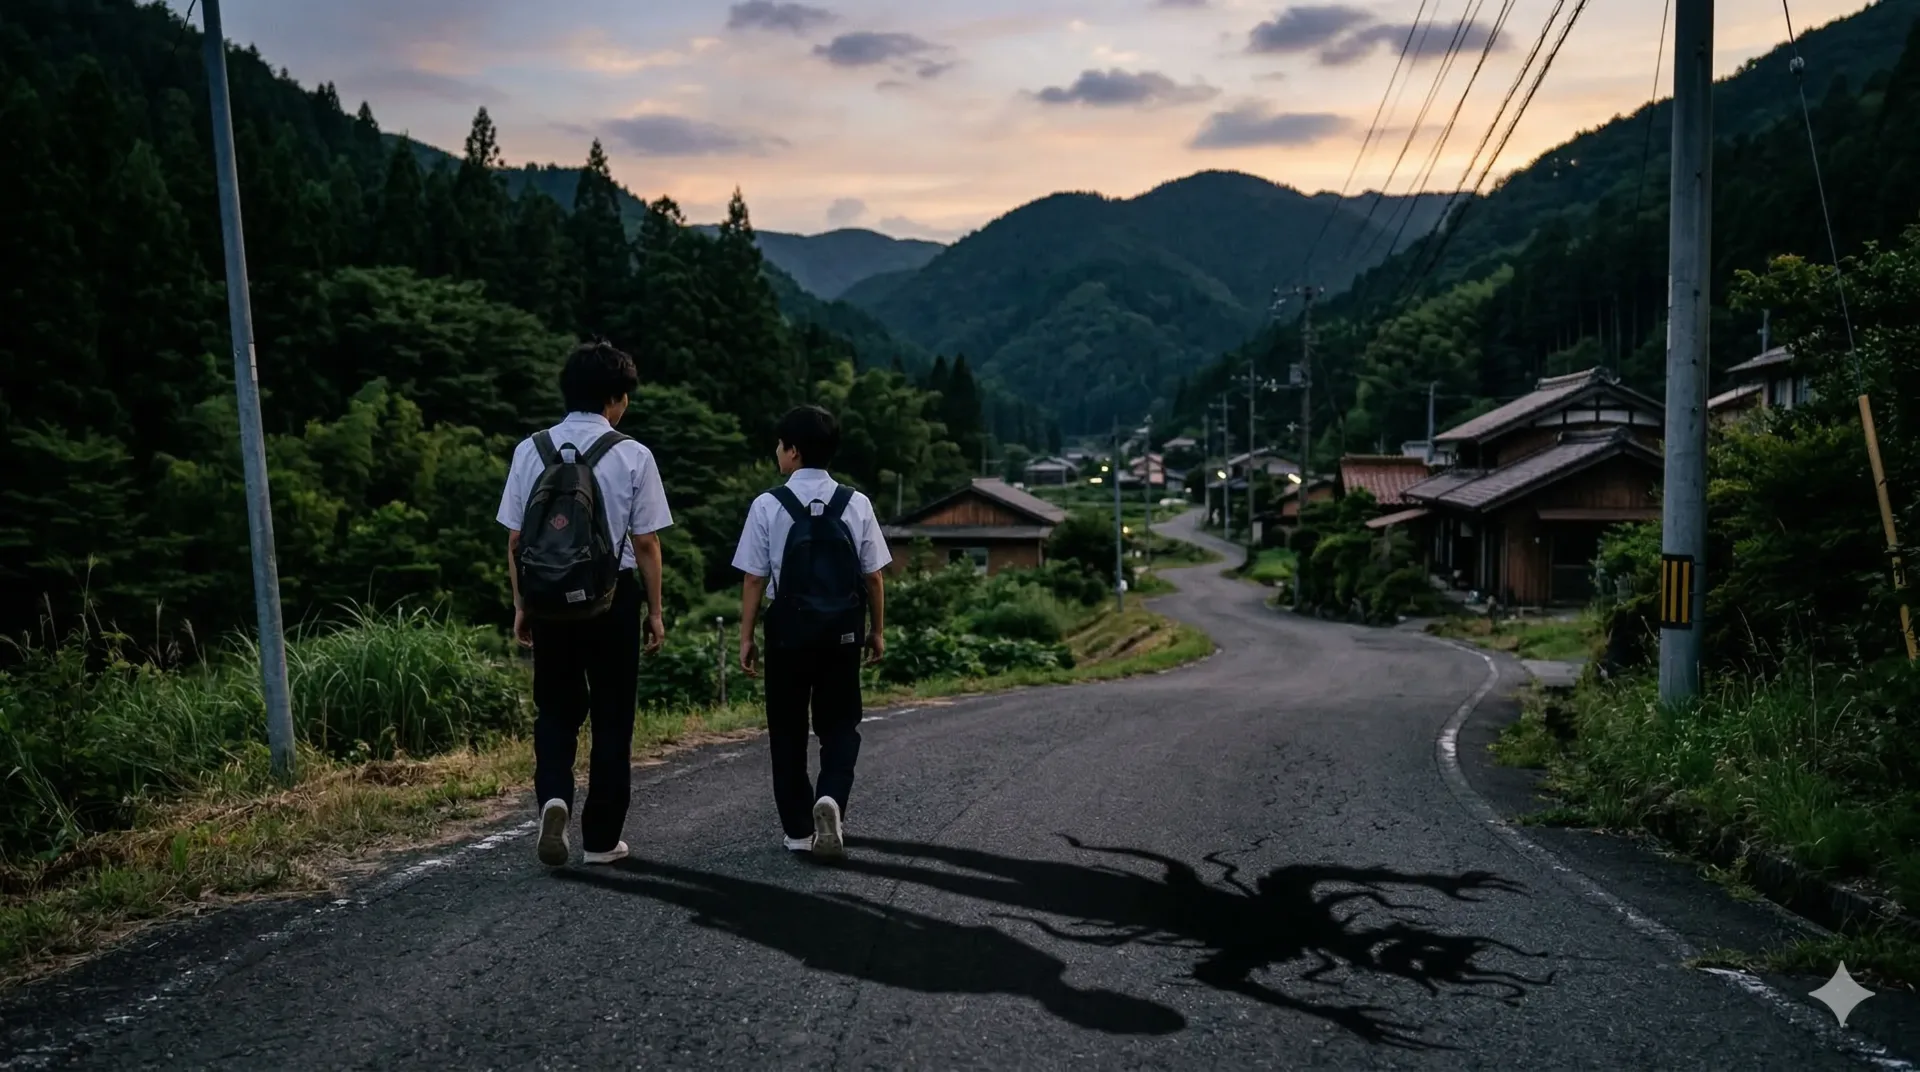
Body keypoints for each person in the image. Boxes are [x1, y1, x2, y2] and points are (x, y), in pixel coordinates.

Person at [497, 341, 670, 868]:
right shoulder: (633, 453)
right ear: (616, 399)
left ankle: (553, 797)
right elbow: (646, 543)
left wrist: (521, 603)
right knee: (613, 717)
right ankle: (600, 839)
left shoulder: (531, 449)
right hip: (613, 599)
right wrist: (656, 611)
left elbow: (514, 539)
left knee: (556, 709)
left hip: (549, 598)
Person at [733, 405, 889, 859]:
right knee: (840, 725)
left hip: (787, 633)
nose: (777, 453)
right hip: (842, 632)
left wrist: (746, 637)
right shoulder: (856, 503)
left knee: (787, 731)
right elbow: (874, 576)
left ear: (793, 452)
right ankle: (831, 800)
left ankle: (799, 831)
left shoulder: (767, 504)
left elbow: (754, 579)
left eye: (780, 446)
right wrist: (875, 631)